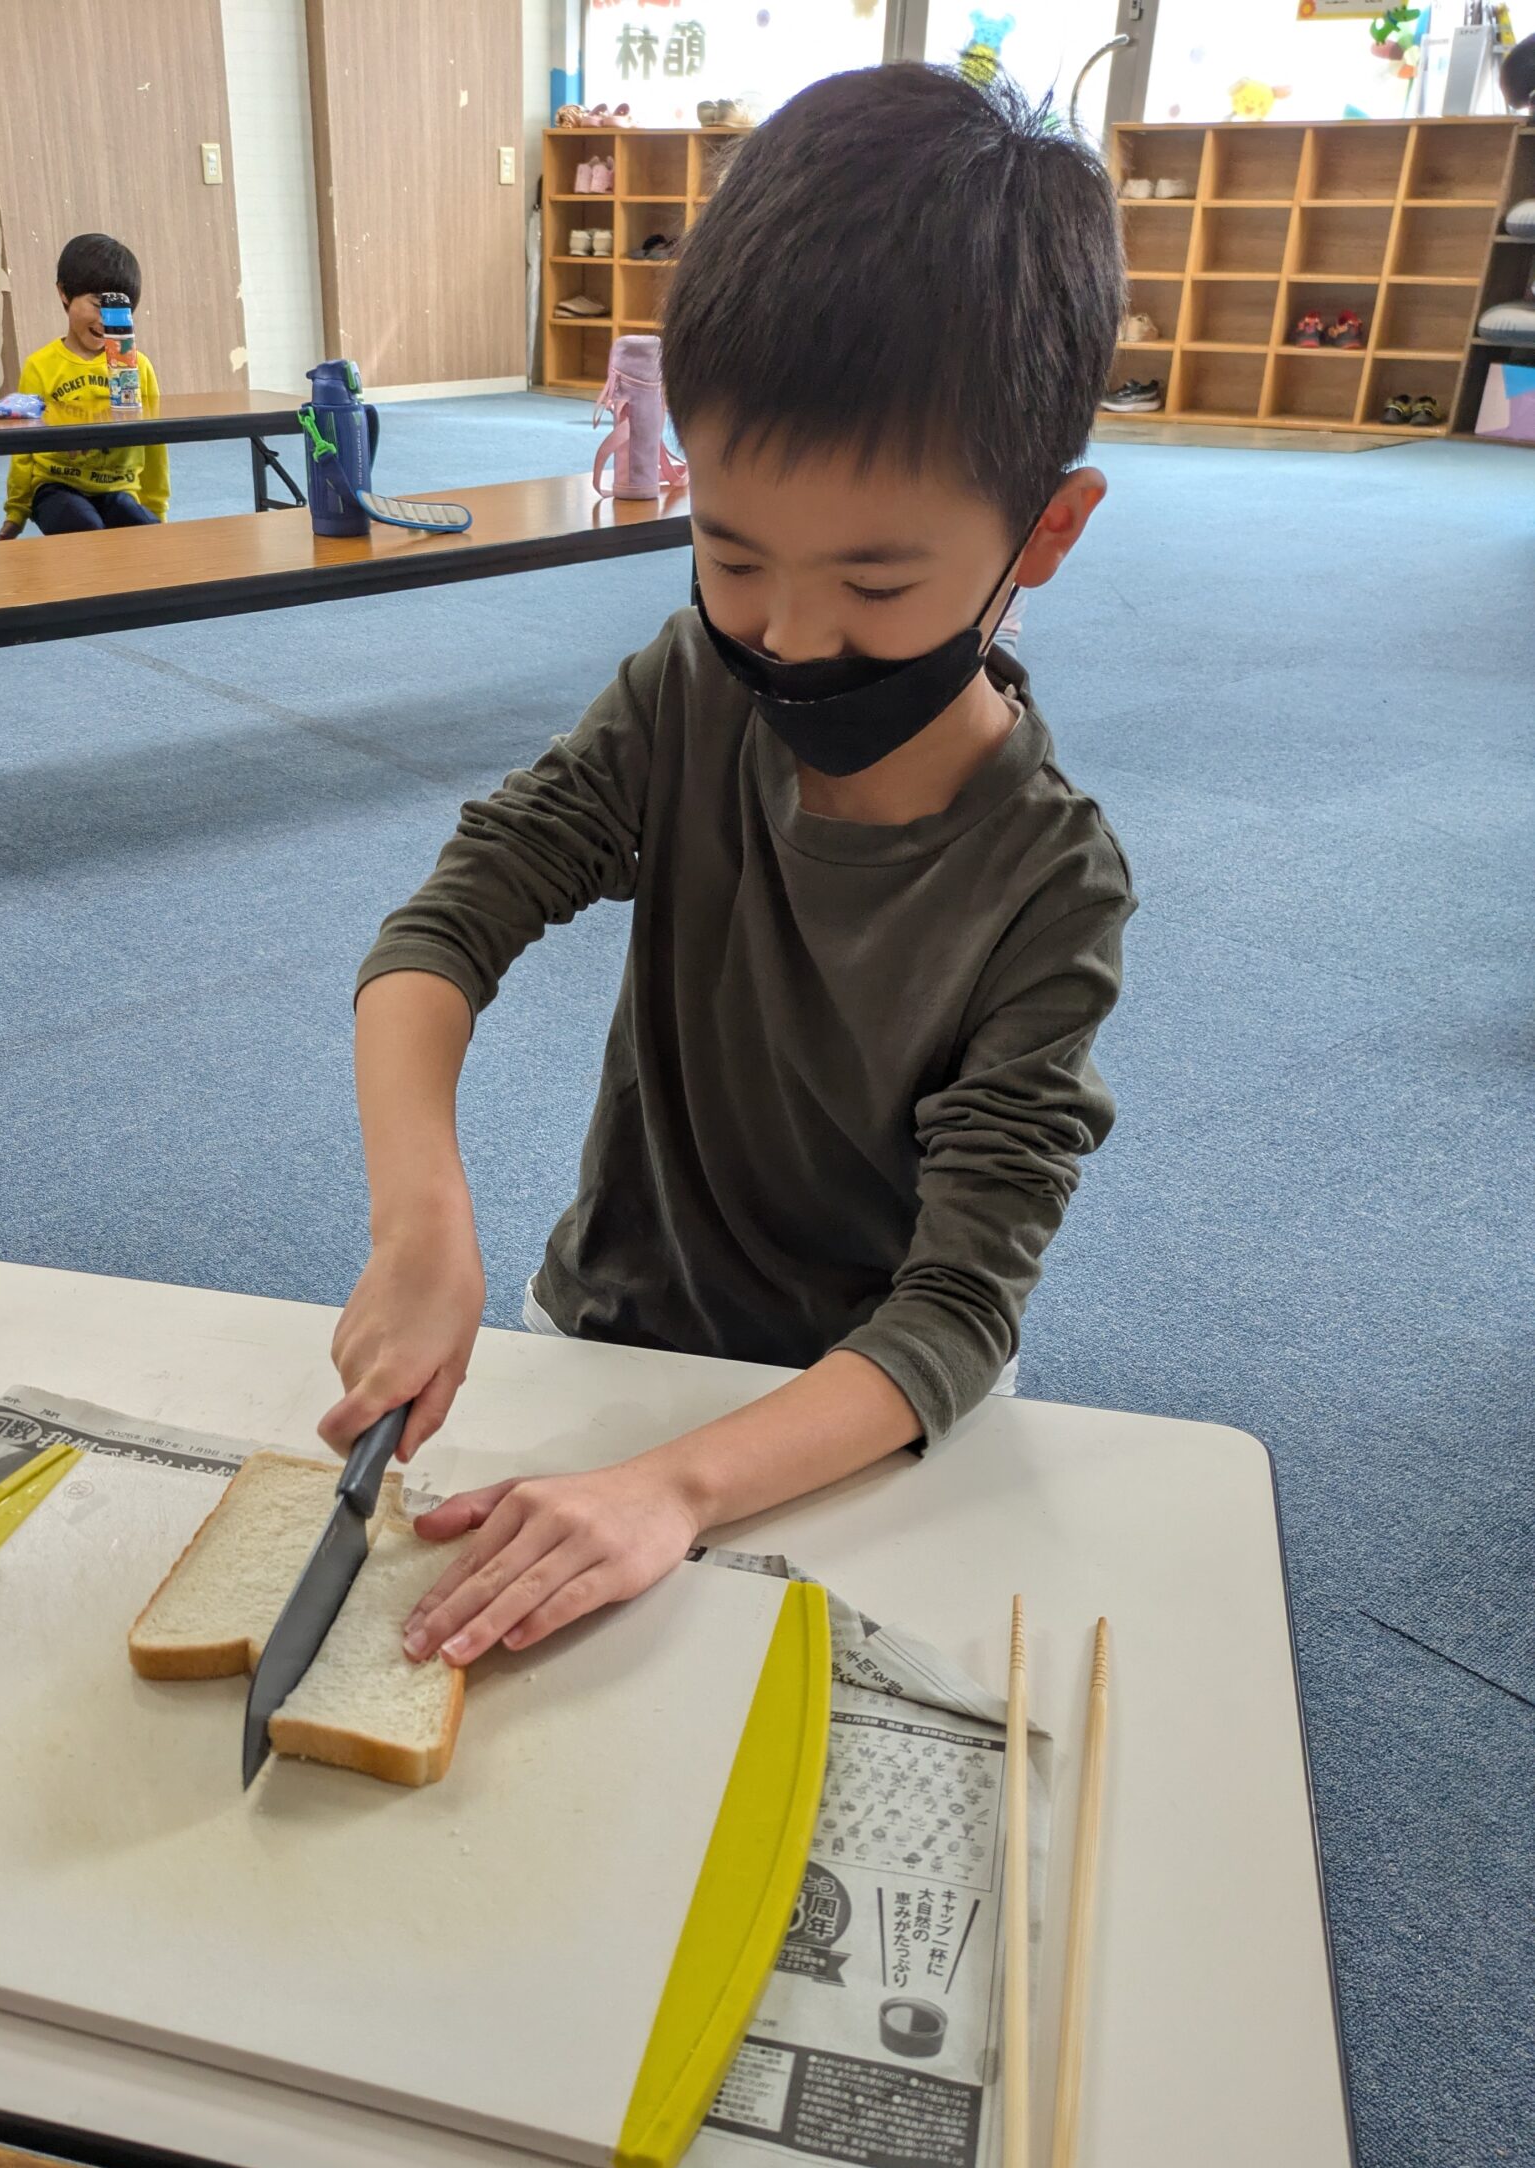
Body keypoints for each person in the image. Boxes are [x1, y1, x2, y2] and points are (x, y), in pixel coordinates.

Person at [320, 65, 1135, 1673]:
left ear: (1043, 535)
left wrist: (677, 1488)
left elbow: (955, 1315)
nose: (792, 638)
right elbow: (449, 923)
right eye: (731, 555)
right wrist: (419, 1215)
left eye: (875, 585)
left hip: (845, 1424)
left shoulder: (1049, 886)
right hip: (611, 1337)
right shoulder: (691, 692)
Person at [0, 233, 168, 537]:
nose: (108, 321)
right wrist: (16, 514)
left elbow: (155, 445)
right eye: (99, 305)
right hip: (56, 486)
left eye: (121, 311)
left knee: (141, 530)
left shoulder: (138, 367)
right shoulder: (41, 366)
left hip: (118, 488)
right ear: (64, 292)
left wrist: (156, 512)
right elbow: (24, 448)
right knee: (86, 527)